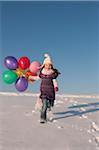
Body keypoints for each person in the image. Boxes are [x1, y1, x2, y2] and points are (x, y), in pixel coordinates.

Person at [29, 54, 60, 123]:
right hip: (43, 92)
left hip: (50, 91)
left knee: (50, 104)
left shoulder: (52, 74)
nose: (48, 66)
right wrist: (30, 77)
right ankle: (43, 118)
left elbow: (54, 81)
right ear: (44, 65)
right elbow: (37, 78)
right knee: (44, 105)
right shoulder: (42, 74)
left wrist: (56, 86)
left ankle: (49, 105)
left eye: (49, 65)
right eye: (46, 65)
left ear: (51, 66)